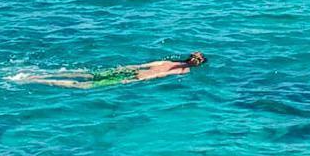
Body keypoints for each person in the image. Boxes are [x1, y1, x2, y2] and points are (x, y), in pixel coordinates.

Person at [15, 52, 207, 89]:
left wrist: (121, 70)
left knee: (88, 74)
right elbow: (159, 75)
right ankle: (35, 80)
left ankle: (38, 74)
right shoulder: (183, 72)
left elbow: (138, 66)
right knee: (85, 86)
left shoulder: (163, 60)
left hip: (125, 71)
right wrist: (132, 82)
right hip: (134, 79)